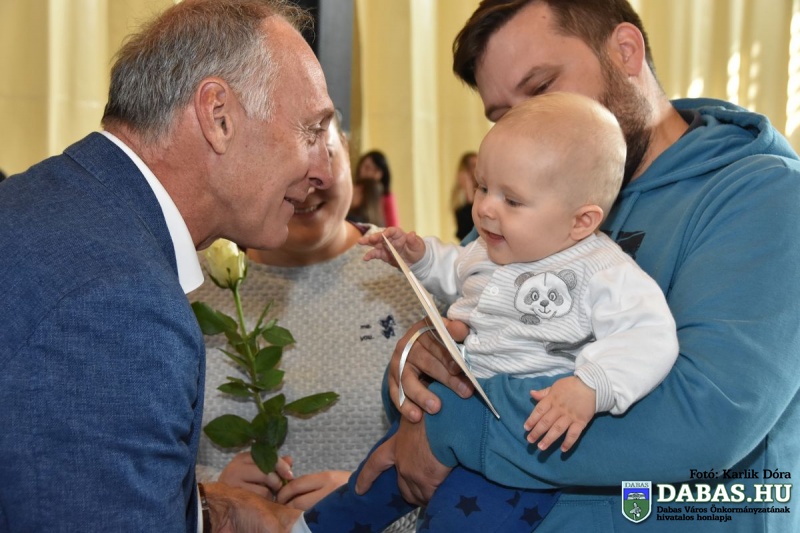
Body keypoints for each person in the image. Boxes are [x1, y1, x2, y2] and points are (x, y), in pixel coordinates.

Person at [351, 1, 800, 532]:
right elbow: (457, 349)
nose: (527, 124)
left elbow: (707, 420)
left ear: (625, 52)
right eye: (502, 115)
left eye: (541, 87)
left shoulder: (763, 196)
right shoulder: (520, 202)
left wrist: (458, 426)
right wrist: (415, 370)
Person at [0, 0, 335, 531]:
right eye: (312, 131)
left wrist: (205, 514)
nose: (324, 170)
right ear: (218, 116)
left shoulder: (47, 207)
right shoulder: (118, 305)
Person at [302, 92, 678, 532]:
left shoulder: (602, 271)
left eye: (511, 200)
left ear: (581, 221)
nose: (484, 207)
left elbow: (651, 335)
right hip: (449, 412)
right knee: (364, 488)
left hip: (515, 451)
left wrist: (591, 385)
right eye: (483, 187)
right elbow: (452, 271)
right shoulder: (489, 247)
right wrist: (417, 255)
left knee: (454, 520)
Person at [192, 113, 419, 532]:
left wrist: (368, 502)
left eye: (324, 155)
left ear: (347, 154)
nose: (307, 183)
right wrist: (214, 498)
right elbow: (143, 461)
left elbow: (464, 466)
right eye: (282, 163)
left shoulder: (413, 282)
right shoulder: (196, 294)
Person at [355, 150, 400, 226]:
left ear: (382, 174)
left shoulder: (386, 198)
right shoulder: (353, 191)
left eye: (375, 170)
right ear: (360, 167)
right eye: (367, 168)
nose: (370, 173)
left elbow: (393, 226)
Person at [451, 151, 478, 240]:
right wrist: (469, 193)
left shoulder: (484, 190)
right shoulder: (459, 197)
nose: (478, 169)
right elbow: (466, 230)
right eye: (474, 166)